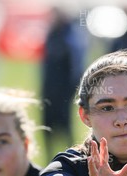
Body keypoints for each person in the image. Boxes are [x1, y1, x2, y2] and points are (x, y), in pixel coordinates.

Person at [41, 7, 86, 160]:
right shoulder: (51, 35)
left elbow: (76, 67)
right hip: (48, 91)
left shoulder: (71, 37)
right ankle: (49, 159)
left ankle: (72, 158)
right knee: (47, 128)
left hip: (64, 92)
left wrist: (71, 91)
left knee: (65, 128)